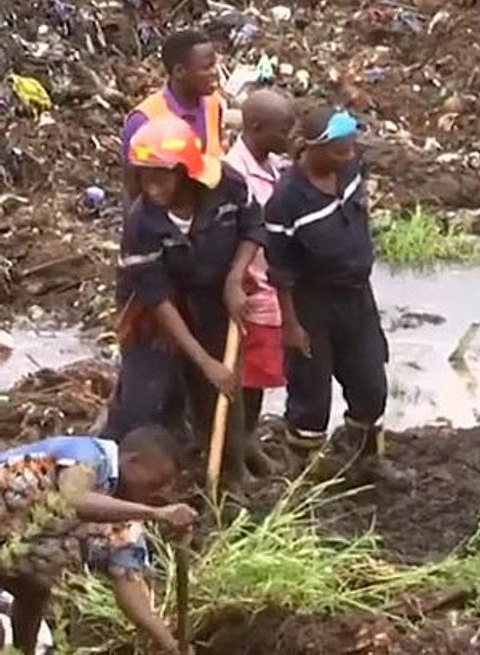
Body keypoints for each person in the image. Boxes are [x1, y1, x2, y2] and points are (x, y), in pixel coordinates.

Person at [105, 116, 262, 486]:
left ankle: (230, 470)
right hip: (153, 311)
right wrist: (205, 361)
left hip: (213, 293)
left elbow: (253, 227)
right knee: (147, 395)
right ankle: (129, 476)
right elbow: (157, 298)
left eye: (161, 176)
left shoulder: (228, 185)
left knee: (223, 388)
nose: (151, 186)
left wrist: (235, 279)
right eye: (143, 176)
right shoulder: (141, 222)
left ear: (186, 173)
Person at [264, 106, 404, 482]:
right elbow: (280, 269)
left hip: (357, 298)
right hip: (311, 305)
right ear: (312, 149)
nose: (349, 155)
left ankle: (366, 459)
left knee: (370, 385)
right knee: (311, 399)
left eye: (351, 147)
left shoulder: (352, 171)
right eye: (340, 150)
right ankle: (304, 478)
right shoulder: (286, 201)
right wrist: (291, 325)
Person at [0, 427, 198, 654]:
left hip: (8, 549)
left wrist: (173, 647)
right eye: (154, 484)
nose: (157, 495)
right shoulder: (91, 454)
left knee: (35, 591)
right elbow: (75, 499)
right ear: (133, 462)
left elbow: (128, 586)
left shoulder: (124, 521)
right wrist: (157, 513)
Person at [221, 89, 296, 477]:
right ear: (254, 127)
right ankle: (237, 452)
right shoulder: (233, 174)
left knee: (261, 375)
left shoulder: (274, 166)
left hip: (272, 287)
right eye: (283, 130)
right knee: (243, 377)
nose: (289, 136)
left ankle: (249, 440)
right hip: (250, 288)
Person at [121, 29, 223, 201]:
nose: (215, 73)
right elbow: (133, 187)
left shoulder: (213, 103)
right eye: (207, 67)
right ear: (179, 72)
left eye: (215, 65)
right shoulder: (145, 119)